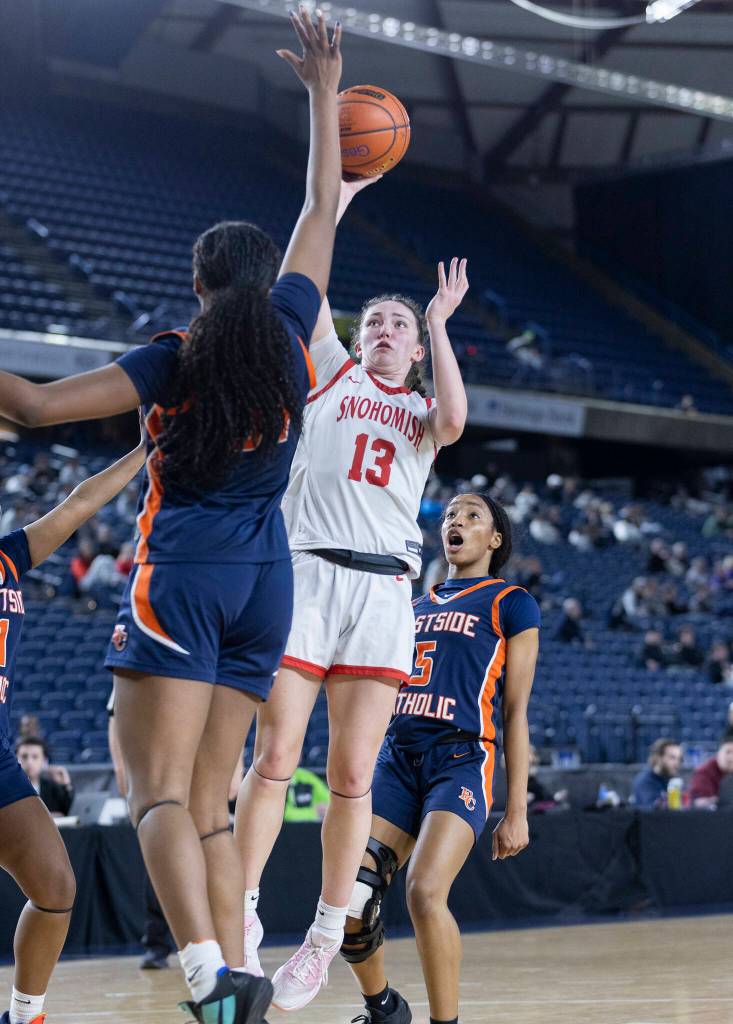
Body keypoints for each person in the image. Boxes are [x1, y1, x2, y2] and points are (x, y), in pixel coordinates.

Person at [0, 10, 343, 1023]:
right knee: (212, 801)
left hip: (182, 574)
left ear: (195, 286)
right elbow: (323, 203)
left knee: (151, 792)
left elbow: (31, 408)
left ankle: (201, 972)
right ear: (264, 280)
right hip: (265, 586)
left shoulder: (170, 357)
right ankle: (238, 968)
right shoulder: (289, 332)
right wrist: (325, 93)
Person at [235, 180, 470, 1011]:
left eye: (399, 325)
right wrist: (332, 196)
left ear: (414, 349)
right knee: (271, 756)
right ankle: (242, 912)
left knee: (348, 775)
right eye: (375, 321)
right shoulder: (329, 370)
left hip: (380, 594)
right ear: (353, 337)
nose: (383, 330)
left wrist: (439, 323)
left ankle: (327, 931)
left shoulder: (420, 415)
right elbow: (310, 272)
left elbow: (454, 421)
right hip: (305, 573)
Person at [341, 491, 540, 1024]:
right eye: (451, 514)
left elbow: (516, 711)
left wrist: (515, 810)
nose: (457, 521)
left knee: (425, 890)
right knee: (349, 900)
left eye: (472, 515)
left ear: (494, 538)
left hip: (461, 759)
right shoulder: (414, 603)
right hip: (397, 758)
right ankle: (383, 1006)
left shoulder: (512, 602)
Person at [0, 426, 146, 1024]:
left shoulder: (9, 554)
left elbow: (81, 502)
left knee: (56, 888)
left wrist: (145, 451)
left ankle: (25, 1014)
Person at [14, 739, 73, 817]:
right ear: (15, 760)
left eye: (35, 757)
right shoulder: (6, 789)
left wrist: (67, 785)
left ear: (44, 761)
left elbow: (68, 813)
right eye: (24, 757)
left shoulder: (53, 788)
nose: (29, 762)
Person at [631, 738, 683, 810]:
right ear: (658, 758)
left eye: (679, 759)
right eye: (672, 758)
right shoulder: (645, 782)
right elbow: (652, 811)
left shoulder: (672, 781)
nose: (677, 763)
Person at [688, 737, 733, 808]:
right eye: (727, 752)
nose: (731, 757)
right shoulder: (704, 773)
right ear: (718, 753)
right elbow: (699, 803)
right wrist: (719, 801)